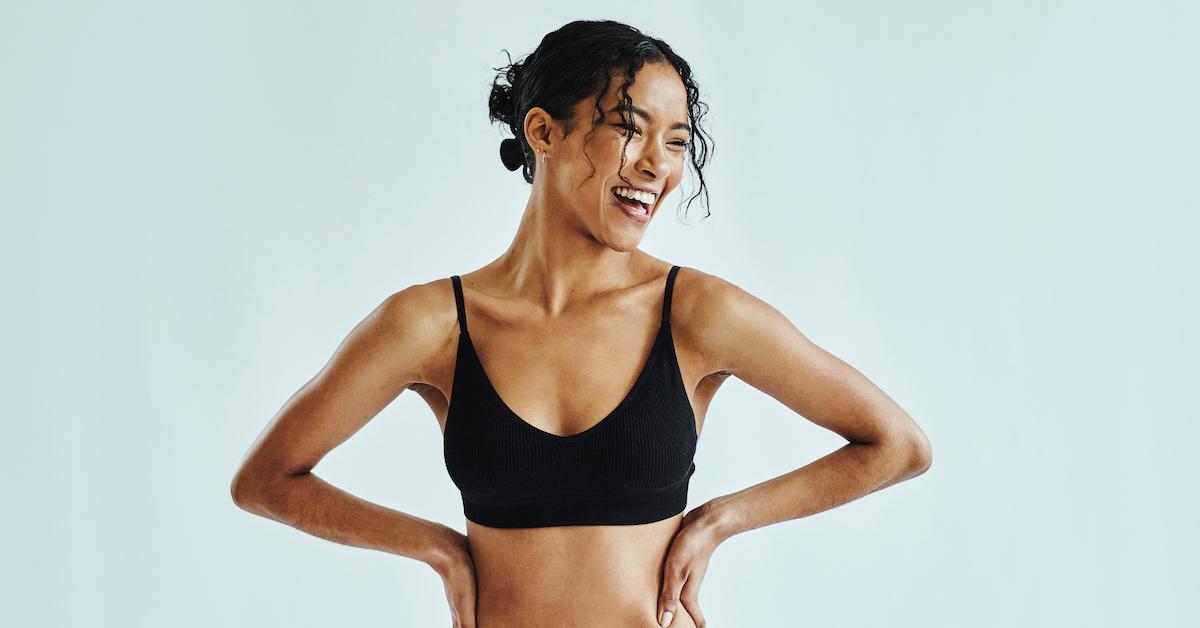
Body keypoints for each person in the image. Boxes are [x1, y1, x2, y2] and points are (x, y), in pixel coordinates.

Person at [230, 19, 932, 628]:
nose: (658, 165)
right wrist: (438, 548)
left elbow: (895, 444)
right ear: (544, 131)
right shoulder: (433, 323)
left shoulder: (693, 313)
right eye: (630, 129)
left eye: (677, 141)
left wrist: (720, 520)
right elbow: (267, 480)